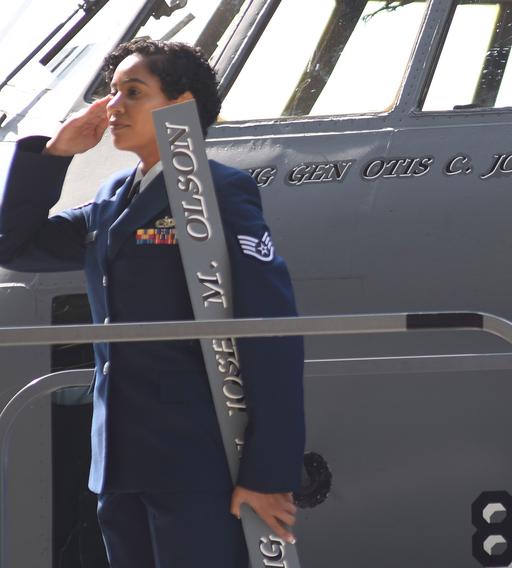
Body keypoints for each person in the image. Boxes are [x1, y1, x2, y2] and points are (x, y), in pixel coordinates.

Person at [0, 39, 305, 567]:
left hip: (196, 460)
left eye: (133, 93)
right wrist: (52, 156)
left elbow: (271, 331)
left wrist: (267, 473)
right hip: (119, 462)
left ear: (178, 105)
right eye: (112, 92)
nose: (113, 106)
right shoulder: (113, 199)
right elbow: (14, 246)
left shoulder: (219, 193)